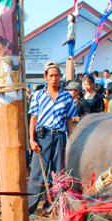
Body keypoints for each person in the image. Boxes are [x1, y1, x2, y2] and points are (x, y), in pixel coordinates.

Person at [27, 62, 77, 213]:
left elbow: (69, 121)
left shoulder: (66, 97)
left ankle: (53, 206)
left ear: (60, 77)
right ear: (45, 77)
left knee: (58, 173)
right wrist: (31, 139)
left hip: (60, 137)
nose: (54, 78)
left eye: (56, 75)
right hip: (42, 137)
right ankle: (30, 207)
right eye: (51, 76)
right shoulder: (38, 95)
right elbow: (33, 119)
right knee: (37, 173)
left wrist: (71, 141)